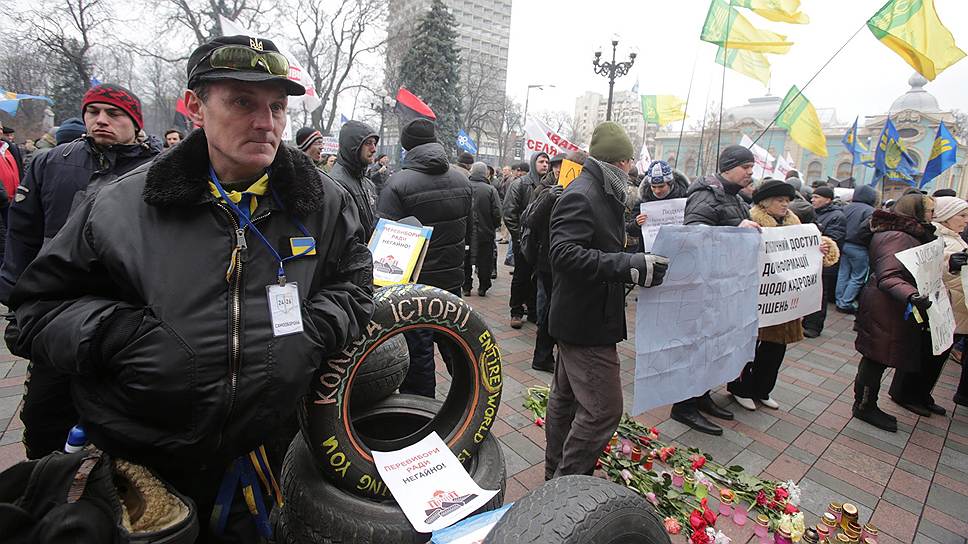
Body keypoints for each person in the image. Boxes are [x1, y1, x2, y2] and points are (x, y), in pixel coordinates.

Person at [8, 35, 374, 541]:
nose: (265, 122)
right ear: (194, 106)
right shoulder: (118, 207)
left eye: (277, 107)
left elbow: (354, 286)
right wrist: (126, 338)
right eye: (242, 102)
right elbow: (34, 312)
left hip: (260, 460)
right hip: (141, 468)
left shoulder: (323, 202)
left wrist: (307, 334)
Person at [544, 122, 668, 479]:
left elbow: (597, 243)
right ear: (620, 162)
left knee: (565, 402)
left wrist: (631, 247)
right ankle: (566, 485)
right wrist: (628, 264)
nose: (632, 172)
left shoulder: (601, 191)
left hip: (583, 315)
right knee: (603, 411)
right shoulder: (583, 193)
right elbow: (564, 254)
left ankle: (556, 475)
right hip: (585, 321)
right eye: (629, 163)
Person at [377, 118, 472, 398]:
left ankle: (420, 412)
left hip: (415, 287)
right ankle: (468, 398)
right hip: (452, 281)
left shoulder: (398, 183)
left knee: (418, 351)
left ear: (407, 148)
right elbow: (469, 230)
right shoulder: (461, 179)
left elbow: (386, 246)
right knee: (456, 342)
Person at [672, 144, 760, 435]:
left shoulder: (734, 197)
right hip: (703, 289)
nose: (750, 173)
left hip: (723, 287)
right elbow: (694, 234)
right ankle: (683, 406)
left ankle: (701, 396)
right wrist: (738, 226)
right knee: (698, 347)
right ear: (728, 167)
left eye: (752, 168)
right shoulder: (706, 194)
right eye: (745, 167)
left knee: (714, 347)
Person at [727, 180, 835, 410]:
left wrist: (819, 249)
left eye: (787, 201)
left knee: (776, 347)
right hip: (757, 294)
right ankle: (740, 388)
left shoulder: (795, 223)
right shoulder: (752, 221)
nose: (785, 205)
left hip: (784, 298)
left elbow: (803, 254)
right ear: (765, 203)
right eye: (780, 200)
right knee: (749, 345)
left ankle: (762, 389)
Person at [852, 193, 936, 432]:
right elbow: (889, 276)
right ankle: (865, 406)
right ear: (916, 212)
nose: (933, 215)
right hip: (886, 305)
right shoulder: (899, 236)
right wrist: (912, 295)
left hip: (890, 304)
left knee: (879, 355)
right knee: (876, 357)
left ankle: (867, 404)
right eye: (929, 210)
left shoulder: (910, 233)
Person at [890, 196, 966, 417]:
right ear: (947, 216)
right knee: (923, 353)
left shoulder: (954, 237)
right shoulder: (933, 235)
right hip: (933, 305)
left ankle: (923, 394)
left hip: (949, 307)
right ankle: (906, 393)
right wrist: (950, 265)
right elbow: (926, 268)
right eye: (962, 215)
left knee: (938, 355)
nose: (966, 220)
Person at [523, 152, 571, 372]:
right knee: (547, 310)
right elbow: (529, 219)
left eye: (564, 166)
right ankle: (541, 356)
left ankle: (556, 356)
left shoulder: (576, 187)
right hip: (546, 261)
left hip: (566, 260)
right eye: (556, 166)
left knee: (559, 310)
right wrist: (549, 197)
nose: (560, 170)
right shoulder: (543, 189)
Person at [504, 151, 547, 328]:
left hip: (541, 242)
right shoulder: (520, 184)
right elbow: (509, 212)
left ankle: (532, 310)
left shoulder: (549, 185)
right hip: (523, 240)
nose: (545, 164)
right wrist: (519, 237)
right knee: (521, 276)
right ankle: (516, 311)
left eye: (547, 162)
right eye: (541, 161)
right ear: (533, 162)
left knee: (536, 277)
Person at [801, 186, 846, 337]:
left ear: (828, 199)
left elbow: (834, 238)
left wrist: (817, 241)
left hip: (824, 261)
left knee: (820, 293)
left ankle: (814, 326)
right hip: (809, 260)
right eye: (812, 197)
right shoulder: (813, 212)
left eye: (817, 197)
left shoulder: (837, 216)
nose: (813, 200)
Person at [331, 120, 379, 239]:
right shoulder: (336, 183)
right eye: (368, 143)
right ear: (353, 146)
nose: (374, 149)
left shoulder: (367, 183)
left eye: (374, 143)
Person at [627, 160, 688, 253]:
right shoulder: (642, 201)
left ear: (670, 183)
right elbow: (631, 230)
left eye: (661, 186)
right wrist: (636, 223)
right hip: (650, 254)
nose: (657, 191)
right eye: (653, 186)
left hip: (679, 251)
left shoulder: (684, 199)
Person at [836, 185, 877, 313]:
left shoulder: (846, 207)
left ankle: (839, 300)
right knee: (857, 276)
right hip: (859, 247)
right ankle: (845, 302)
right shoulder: (870, 211)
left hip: (844, 244)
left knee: (843, 273)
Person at [463, 161, 501, 296]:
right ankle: (483, 287)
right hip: (486, 231)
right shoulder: (490, 190)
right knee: (485, 260)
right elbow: (497, 212)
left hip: (465, 232)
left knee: (465, 259)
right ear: (485, 173)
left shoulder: (464, 187)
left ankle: (466, 286)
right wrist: (494, 226)